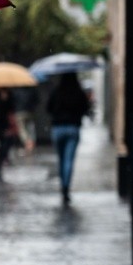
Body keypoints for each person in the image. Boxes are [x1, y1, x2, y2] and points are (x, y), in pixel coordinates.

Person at [46, 72, 91, 205]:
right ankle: (66, 187)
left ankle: (62, 186)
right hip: (73, 128)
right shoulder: (78, 92)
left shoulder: (56, 91)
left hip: (58, 128)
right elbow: (86, 108)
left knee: (60, 159)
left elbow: (48, 108)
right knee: (69, 160)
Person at [11, 86, 39, 155]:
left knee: (22, 130)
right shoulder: (32, 90)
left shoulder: (16, 91)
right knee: (30, 128)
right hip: (30, 111)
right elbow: (37, 100)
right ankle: (31, 143)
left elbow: (12, 102)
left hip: (19, 112)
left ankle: (28, 144)